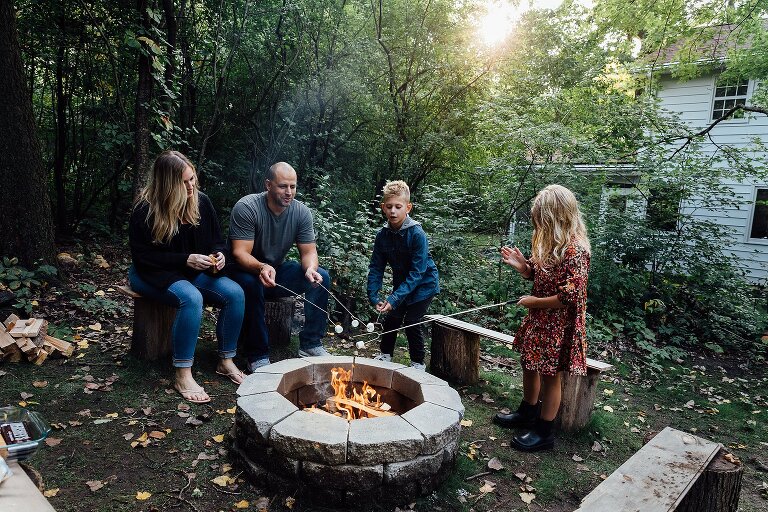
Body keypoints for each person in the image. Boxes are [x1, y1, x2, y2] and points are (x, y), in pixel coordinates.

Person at [128, 150, 246, 404]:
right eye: (184, 182)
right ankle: (183, 373)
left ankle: (226, 360)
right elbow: (143, 258)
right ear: (167, 184)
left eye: (192, 178)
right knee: (191, 298)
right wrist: (185, 259)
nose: (191, 186)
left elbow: (218, 241)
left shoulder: (202, 202)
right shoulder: (144, 210)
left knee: (235, 293)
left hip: (191, 271)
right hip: (150, 274)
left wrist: (219, 256)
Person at [493, 184, 591, 452]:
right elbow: (539, 276)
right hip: (540, 320)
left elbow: (570, 297)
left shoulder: (576, 250)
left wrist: (535, 302)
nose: (537, 225)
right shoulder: (550, 243)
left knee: (550, 375)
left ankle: (545, 431)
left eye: (541, 219)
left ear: (556, 217)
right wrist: (524, 268)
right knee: (528, 363)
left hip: (559, 324)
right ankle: (527, 412)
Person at [229, 162, 331, 372]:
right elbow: (239, 253)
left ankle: (311, 344)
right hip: (245, 272)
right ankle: (257, 355)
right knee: (252, 285)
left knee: (321, 277)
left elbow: (309, 252)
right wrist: (261, 267)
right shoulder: (247, 207)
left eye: (293, 187)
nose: (289, 192)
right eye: (283, 186)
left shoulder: (301, 212)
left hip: (275, 272)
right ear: (268, 185)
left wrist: (310, 268)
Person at [366, 180, 440, 371]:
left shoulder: (417, 234)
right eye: (389, 206)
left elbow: (417, 272)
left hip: (424, 284)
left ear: (408, 207)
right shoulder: (382, 235)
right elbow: (376, 267)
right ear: (383, 207)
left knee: (411, 321)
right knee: (392, 317)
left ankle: (418, 363)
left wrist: (394, 298)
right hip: (403, 285)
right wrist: (374, 295)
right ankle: (385, 355)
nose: (393, 211)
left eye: (398, 207)